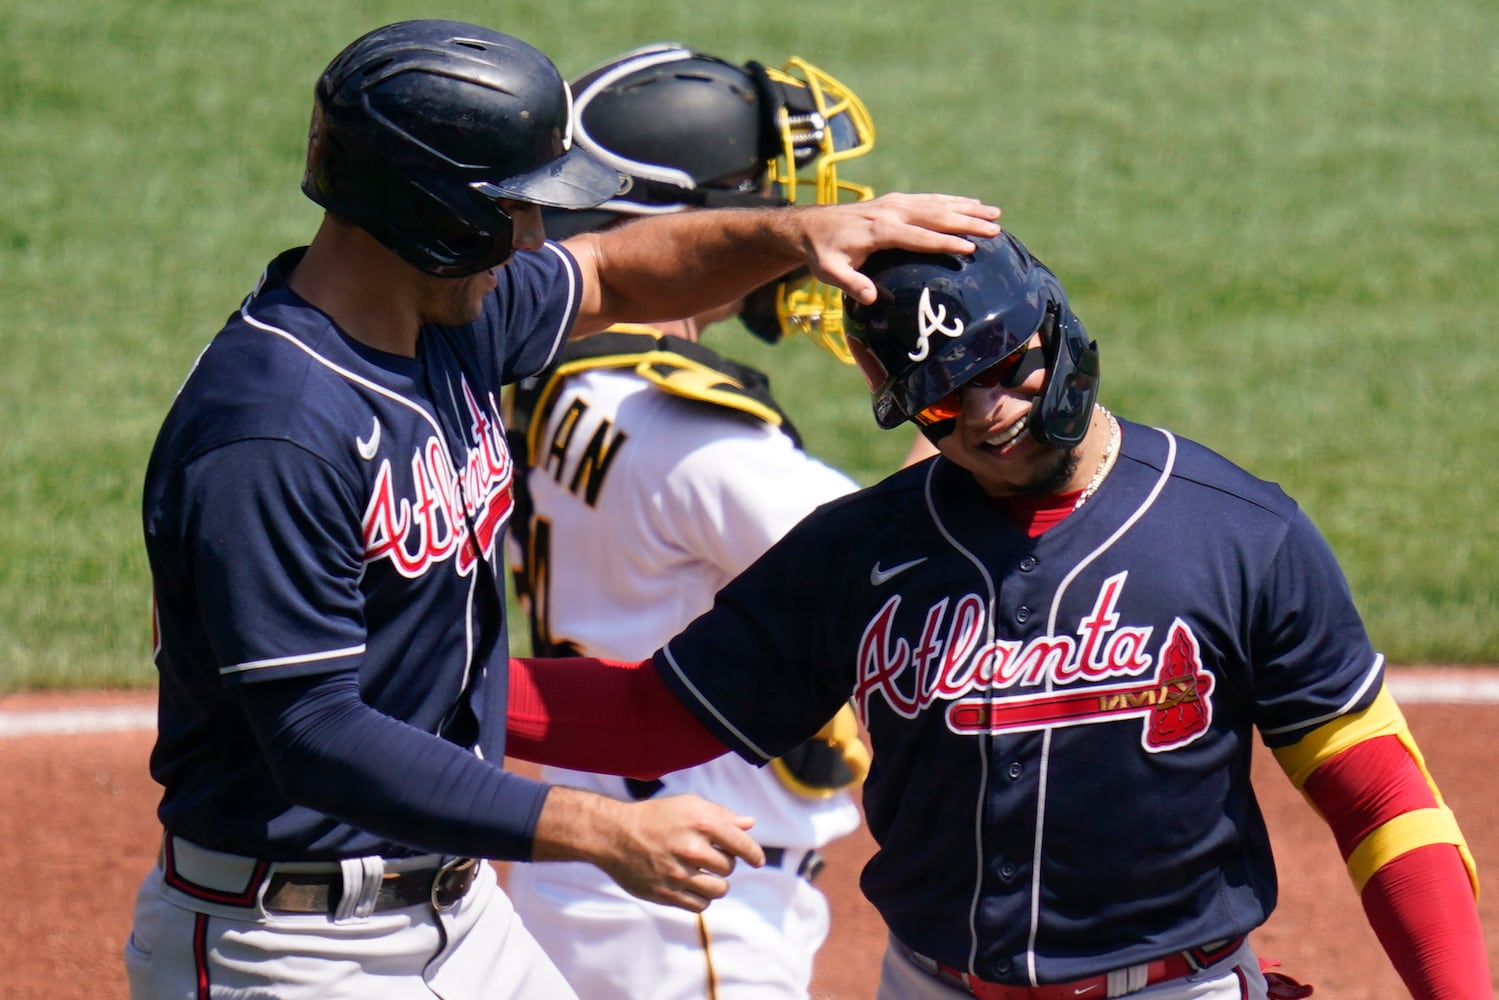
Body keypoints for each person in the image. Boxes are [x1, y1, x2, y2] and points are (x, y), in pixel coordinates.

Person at [124, 18, 999, 1000]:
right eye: (517, 212)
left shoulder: (442, 318)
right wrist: (598, 828)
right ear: (430, 215)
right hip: (291, 943)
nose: (538, 238)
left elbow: (616, 271)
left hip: (458, 914)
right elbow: (315, 732)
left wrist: (796, 235)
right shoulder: (273, 431)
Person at [505, 230, 1492, 999]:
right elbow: (654, 714)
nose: (986, 412)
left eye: (1003, 363)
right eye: (938, 399)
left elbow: (1379, 798)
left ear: (1055, 323)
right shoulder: (856, 551)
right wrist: (425, 680)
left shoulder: (1238, 534)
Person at [501, 43, 876, 999]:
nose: (790, 230)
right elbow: (896, 569)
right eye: (762, 209)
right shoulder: (692, 441)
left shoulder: (554, 375)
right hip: (688, 908)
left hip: (590, 884)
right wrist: (961, 414)